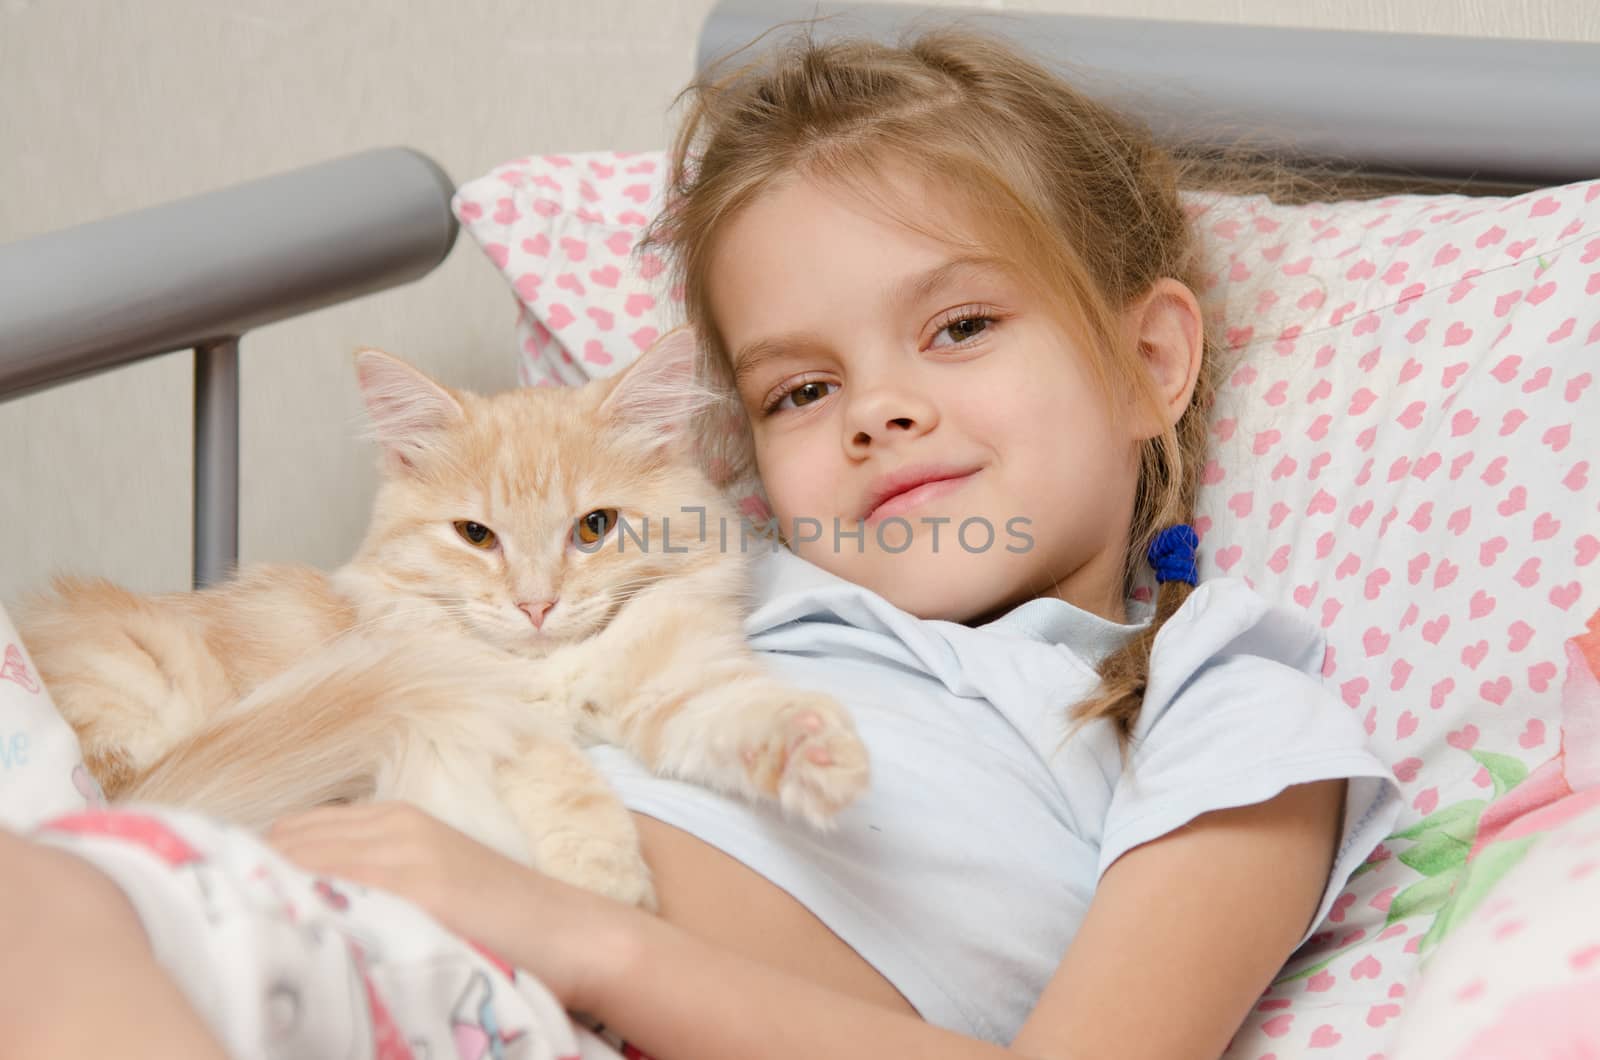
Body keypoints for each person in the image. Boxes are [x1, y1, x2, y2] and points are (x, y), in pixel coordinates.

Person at [0, 26, 1400, 1060]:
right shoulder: (709, 587)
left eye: (960, 325)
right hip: (367, 900)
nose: (880, 410)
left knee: (45, 915)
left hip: (523, 991)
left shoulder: (1222, 693)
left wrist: (588, 941)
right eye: (801, 389)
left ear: (1151, 359)